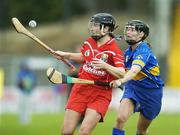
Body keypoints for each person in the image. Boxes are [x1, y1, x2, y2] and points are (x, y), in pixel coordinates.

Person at [52, 13, 125, 135]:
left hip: (100, 94)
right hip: (80, 89)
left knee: (84, 132)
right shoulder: (89, 42)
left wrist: (105, 66)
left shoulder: (114, 50)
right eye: (92, 25)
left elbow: (122, 73)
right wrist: (67, 55)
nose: (92, 28)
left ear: (106, 29)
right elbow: (84, 56)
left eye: (96, 25)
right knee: (66, 132)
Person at [110, 20, 164, 135]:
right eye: (127, 29)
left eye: (132, 30)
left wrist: (121, 81)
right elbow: (121, 71)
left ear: (141, 34)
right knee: (120, 118)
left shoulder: (143, 50)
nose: (128, 32)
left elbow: (134, 71)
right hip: (133, 88)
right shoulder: (127, 52)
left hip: (152, 92)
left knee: (142, 130)